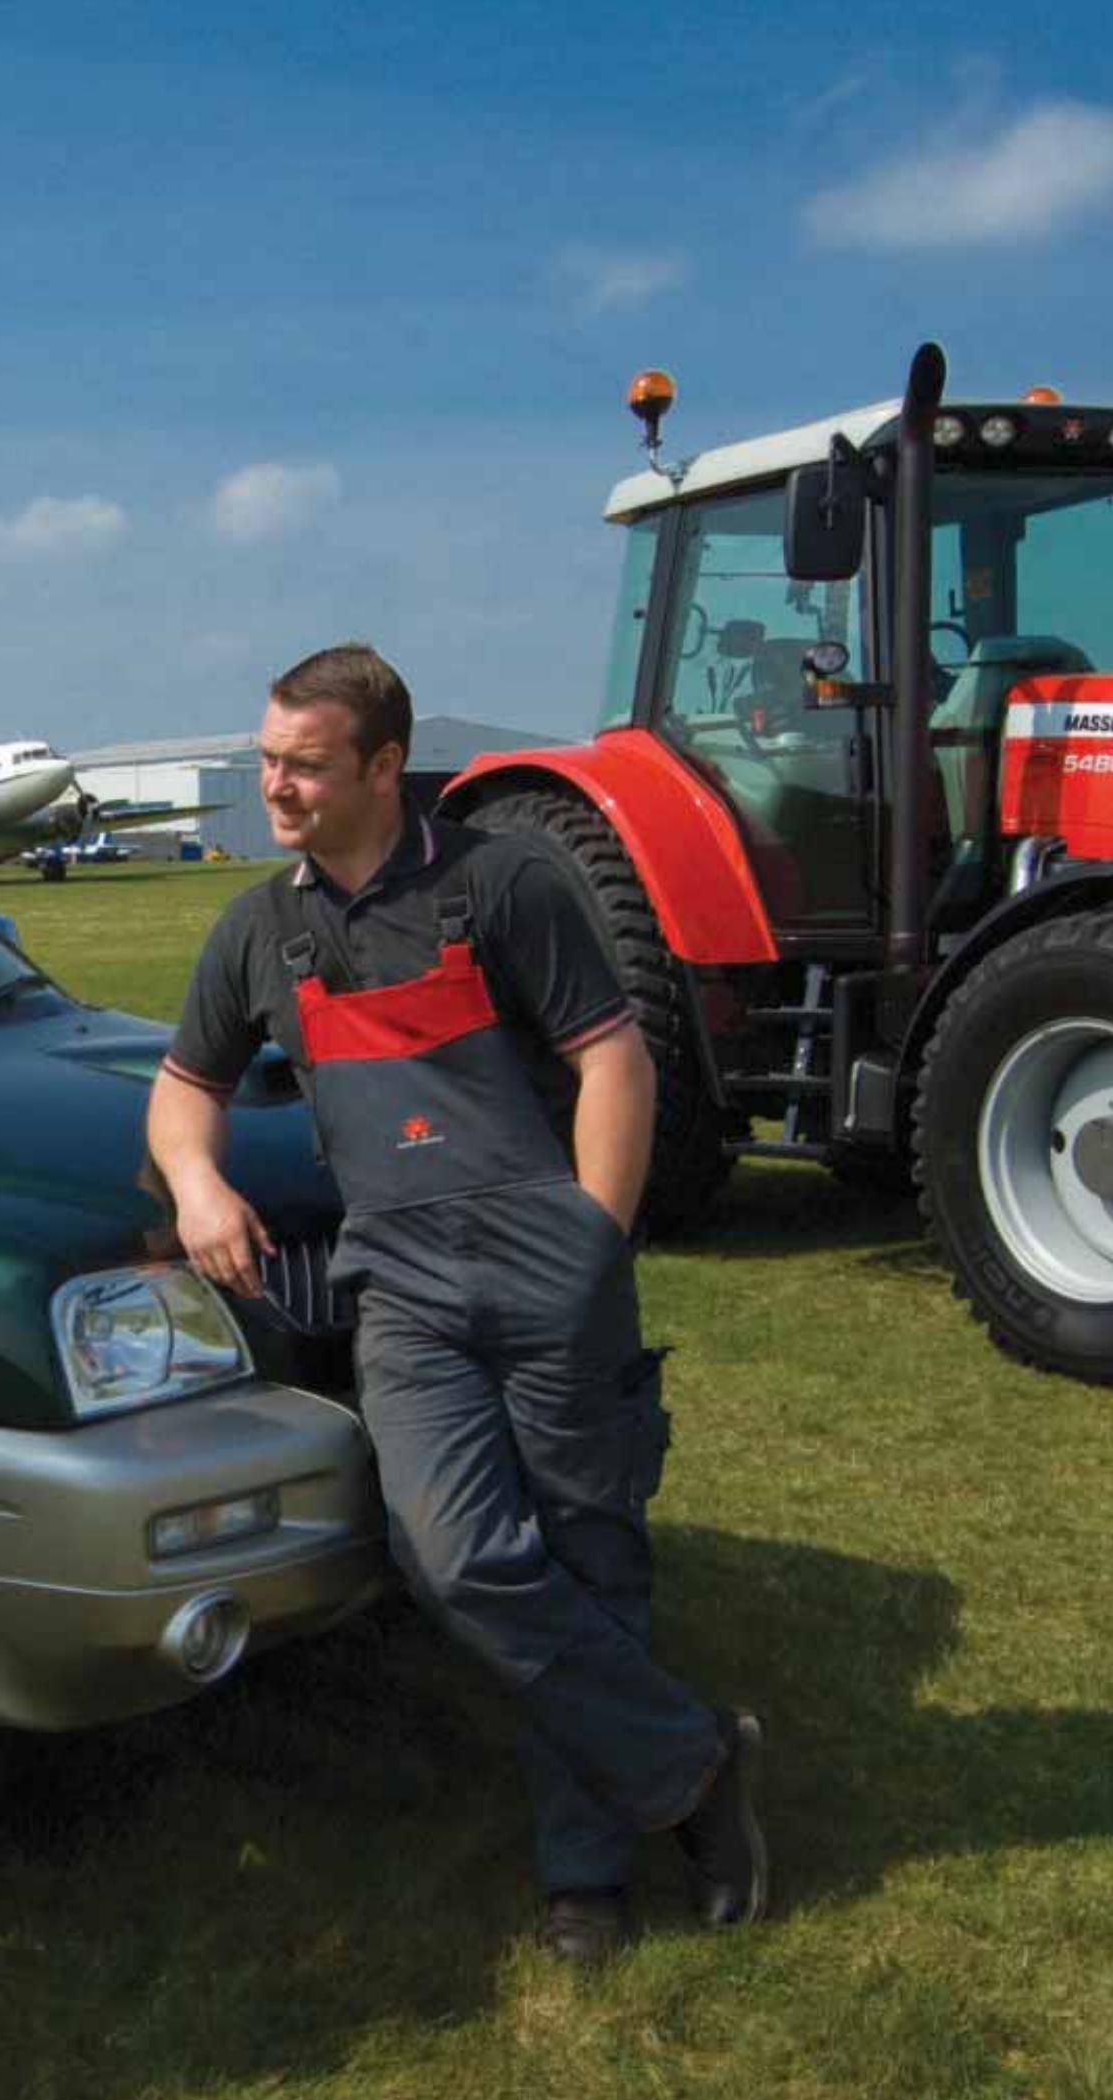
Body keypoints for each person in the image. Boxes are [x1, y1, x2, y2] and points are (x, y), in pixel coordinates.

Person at [147, 643, 765, 1966]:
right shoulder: (263, 928)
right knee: (457, 1557)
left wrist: (592, 1236)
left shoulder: (502, 884)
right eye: (267, 761)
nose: (276, 788)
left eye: (303, 766)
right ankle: (695, 1765)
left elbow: (614, 1059)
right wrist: (196, 1180)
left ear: (383, 766)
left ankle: (585, 1876)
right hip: (406, 1297)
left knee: (590, 1559)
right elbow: (182, 1082)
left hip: (549, 1270)